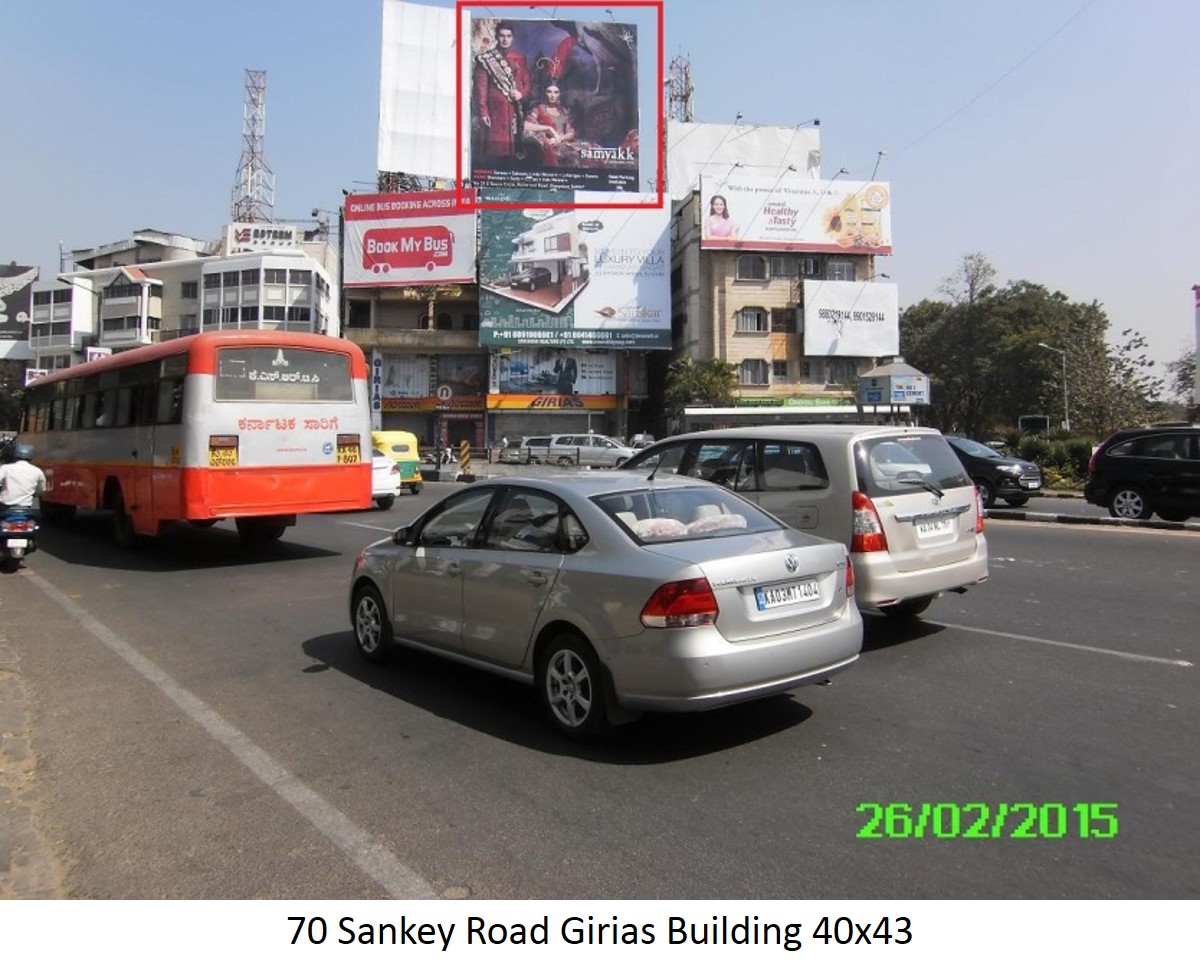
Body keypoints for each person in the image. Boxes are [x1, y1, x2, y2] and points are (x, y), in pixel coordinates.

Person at [473, 22, 531, 166]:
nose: (505, 39)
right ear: (497, 37)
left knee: (513, 154)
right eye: (502, 36)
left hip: (514, 111)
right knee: (494, 153)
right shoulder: (486, 59)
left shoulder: (520, 58)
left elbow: (527, 83)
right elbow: (481, 88)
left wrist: (521, 94)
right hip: (495, 112)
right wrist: (484, 112)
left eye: (508, 36)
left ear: (512, 38)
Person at [523, 82, 578, 167]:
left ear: (559, 94)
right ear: (545, 93)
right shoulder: (539, 109)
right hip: (548, 147)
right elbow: (526, 125)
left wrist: (560, 138)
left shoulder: (563, 111)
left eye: (556, 92)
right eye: (549, 92)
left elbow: (571, 132)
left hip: (563, 144)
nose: (552, 95)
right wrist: (548, 128)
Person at [0, 444, 47, 516]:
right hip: (25, 507)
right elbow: (41, 489)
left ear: (14, 456)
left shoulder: (6, 468)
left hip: (5, 507)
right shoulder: (37, 471)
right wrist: (35, 494)